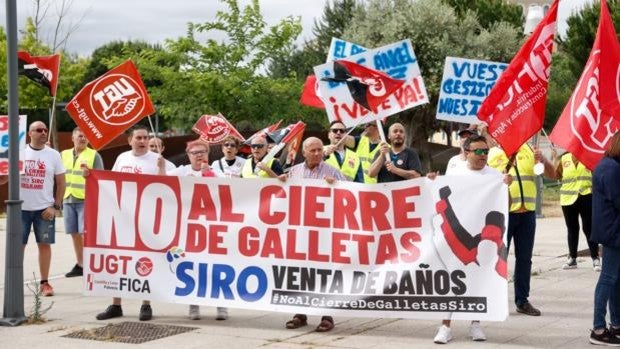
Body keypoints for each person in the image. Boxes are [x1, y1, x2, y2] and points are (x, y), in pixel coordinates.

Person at [432, 135, 512, 344]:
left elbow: (506, 204)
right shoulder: (455, 174)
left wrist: (506, 187)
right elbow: (439, 196)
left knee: (479, 276)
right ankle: (445, 326)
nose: (483, 155)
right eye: (478, 151)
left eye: (485, 151)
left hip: (485, 234)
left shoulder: (495, 175)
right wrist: (432, 182)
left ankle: (475, 324)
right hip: (460, 231)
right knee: (453, 280)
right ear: (466, 152)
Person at [96, 125, 175, 321]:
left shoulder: (158, 160)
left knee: (144, 261)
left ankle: (145, 304)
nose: (142, 141)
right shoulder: (122, 158)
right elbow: (111, 182)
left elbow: (168, 188)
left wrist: (161, 168)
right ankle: (116, 305)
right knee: (121, 260)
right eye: (138, 138)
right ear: (129, 140)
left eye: (145, 138)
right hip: (122, 218)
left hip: (146, 220)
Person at [279, 137, 346, 332]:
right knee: (301, 272)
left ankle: (327, 315)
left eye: (319, 150)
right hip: (301, 230)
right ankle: (300, 313)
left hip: (325, 230)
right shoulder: (295, 171)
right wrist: (281, 183)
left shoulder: (332, 171)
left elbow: (350, 195)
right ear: (304, 153)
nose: (317, 154)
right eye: (313, 150)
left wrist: (337, 186)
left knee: (326, 273)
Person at [159, 140, 229, 321]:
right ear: (188, 155)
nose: (199, 155)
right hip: (189, 228)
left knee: (215, 267)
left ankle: (222, 305)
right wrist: (160, 168)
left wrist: (208, 175)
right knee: (192, 266)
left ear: (208, 154)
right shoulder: (182, 171)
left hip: (212, 228)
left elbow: (227, 190)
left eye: (202, 152)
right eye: (194, 152)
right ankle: (193, 304)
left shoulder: (217, 171)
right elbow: (161, 182)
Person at [487, 141, 555, 316]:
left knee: (525, 259)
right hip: (505, 213)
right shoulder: (493, 152)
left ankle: (522, 301)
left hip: (527, 214)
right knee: (498, 260)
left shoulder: (530, 150)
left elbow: (552, 175)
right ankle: (494, 299)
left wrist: (543, 160)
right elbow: (487, 182)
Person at [0, 121, 66, 297]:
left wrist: (55, 206)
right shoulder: (19, 153)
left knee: (44, 245)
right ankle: (15, 283)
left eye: (45, 130)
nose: (44, 132)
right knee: (17, 247)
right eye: (39, 130)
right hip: (20, 209)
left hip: (44, 210)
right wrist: (3, 171)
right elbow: (3, 180)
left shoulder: (53, 155)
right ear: (30, 133)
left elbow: (61, 183)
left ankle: (45, 283)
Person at [589, 132, 620, 346]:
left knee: (615, 279)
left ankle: (616, 324)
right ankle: (598, 329)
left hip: (611, 229)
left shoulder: (608, 165)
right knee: (608, 279)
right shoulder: (612, 169)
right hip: (613, 231)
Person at [61, 127, 104, 278]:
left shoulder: (94, 155)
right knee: (74, 233)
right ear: (73, 138)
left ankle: (91, 265)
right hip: (68, 198)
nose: (83, 138)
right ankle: (80, 264)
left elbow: (101, 179)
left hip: (86, 200)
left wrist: (90, 176)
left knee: (85, 233)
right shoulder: (63, 154)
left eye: (86, 136)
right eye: (80, 136)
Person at [555, 152, 600, 271]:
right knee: (572, 228)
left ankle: (595, 258)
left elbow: (596, 175)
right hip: (568, 199)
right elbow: (557, 175)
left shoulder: (588, 156)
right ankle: (572, 258)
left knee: (589, 228)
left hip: (586, 196)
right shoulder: (563, 159)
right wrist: (554, 161)